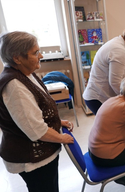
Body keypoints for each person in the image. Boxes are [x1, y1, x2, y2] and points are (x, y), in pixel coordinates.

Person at [0, 31, 74, 192]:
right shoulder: (15, 86)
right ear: (17, 58)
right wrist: (61, 137)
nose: (40, 56)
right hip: (31, 159)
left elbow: (33, 113)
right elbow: (36, 130)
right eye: (35, 53)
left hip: (40, 154)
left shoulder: (26, 73)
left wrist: (57, 122)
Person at [83, 24, 125, 115]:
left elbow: (123, 76)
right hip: (98, 98)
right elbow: (115, 82)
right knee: (112, 127)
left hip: (101, 95)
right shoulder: (119, 50)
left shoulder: (122, 46)